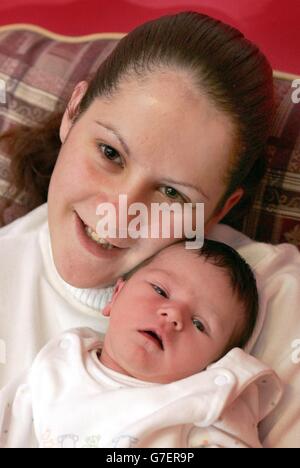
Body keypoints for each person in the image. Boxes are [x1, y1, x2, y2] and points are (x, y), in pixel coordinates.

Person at [0, 11, 299, 447]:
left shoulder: (277, 297)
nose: (118, 214)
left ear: (219, 209)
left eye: (172, 194)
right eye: (109, 153)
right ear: (73, 112)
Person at [0, 240, 283, 448]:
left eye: (200, 324)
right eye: (160, 290)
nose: (173, 314)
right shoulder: (62, 361)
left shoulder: (205, 400)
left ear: (215, 363)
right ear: (116, 295)